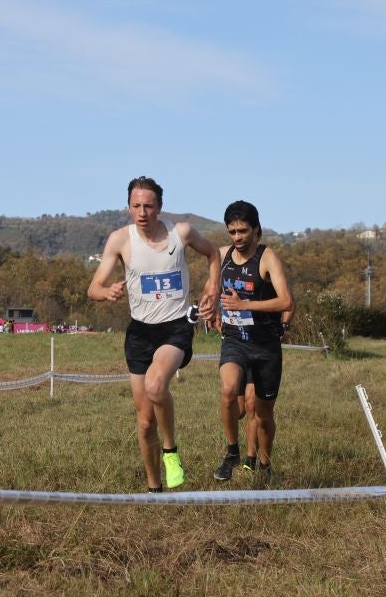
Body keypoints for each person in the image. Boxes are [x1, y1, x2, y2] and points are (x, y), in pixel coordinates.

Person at [88, 176, 220, 492]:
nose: (142, 212)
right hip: (139, 334)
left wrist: (212, 286)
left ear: (160, 207)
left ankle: (171, 452)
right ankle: (154, 489)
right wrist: (106, 293)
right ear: (129, 207)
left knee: (156, 384)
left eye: (149, 206)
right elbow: (93, 287)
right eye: (136, 206)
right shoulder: (120, 240)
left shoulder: (181, 232)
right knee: (146, 422)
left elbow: (213, 253)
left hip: (176, 327)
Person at [213, 200, 293, 483]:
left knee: (263, 414)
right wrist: (210, 309)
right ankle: (232, 453)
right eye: (232, 231)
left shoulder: (267, 257)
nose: (237, 237)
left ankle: (264, 462)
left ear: (256, 230)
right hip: (235, 341)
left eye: (243, 231)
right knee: (228, 389)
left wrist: (243, 304)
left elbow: (286, 300)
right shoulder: (221, 255)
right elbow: (209, 290)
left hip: (266, 346)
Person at [235, 302, 295, 472]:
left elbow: (289, 302)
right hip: (237, 345)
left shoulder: (267, 278)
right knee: (240, 411)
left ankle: (254, 459)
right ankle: (243, 455)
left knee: (253, 404)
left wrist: (284, 324)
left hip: (260, 345)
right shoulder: (226, 277)